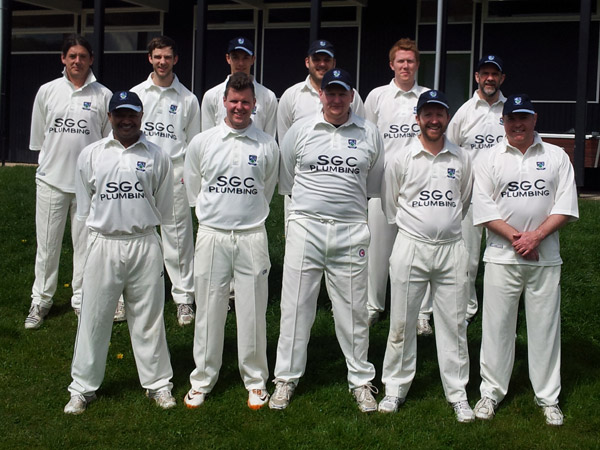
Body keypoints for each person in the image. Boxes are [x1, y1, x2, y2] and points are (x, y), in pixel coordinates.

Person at [270, 68, 384, 413]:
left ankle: (361, 380)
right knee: (295, 307)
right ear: (321, 95)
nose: (335, 99)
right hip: (306, 226)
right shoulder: (300, 130)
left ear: (352, 96)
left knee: (352, 308)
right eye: (329, 93)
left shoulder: (369, 133)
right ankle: (286, 379)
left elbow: (373, 184)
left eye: (342, 93)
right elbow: (288, 178)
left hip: (351, 229)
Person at [64, 91, 176, 414]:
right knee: (94, 317)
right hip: (104, 243)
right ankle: (82, 389)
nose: (126, 120)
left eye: (132, 115)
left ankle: (158, 385)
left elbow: (164, 208)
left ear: (141, 117)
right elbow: (85, 211)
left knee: (149, 318)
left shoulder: (158, 157)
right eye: (119, 115)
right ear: (110, 117)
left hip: (144, 242)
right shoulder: (91, 155)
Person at [471, 94, 579, 426]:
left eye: (524, 118)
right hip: (502, 257)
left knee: (545, 328)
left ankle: (548, 398)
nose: (518, 124)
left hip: (544, 258)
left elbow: (565, 206)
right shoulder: (489, 158)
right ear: (503, 122)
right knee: (496, 328)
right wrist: (519, 240)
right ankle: (490, 393)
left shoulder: (557, 156)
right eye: (511, 118)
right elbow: (484, 208)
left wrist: (536, 237)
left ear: (535, 119)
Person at [182, 72, 279, 410]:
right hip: (212, 234)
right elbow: (193, 187)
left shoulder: (267, 144)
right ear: (224, 102)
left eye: (246, 102)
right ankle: (203, 378)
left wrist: (246, 214)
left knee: (253, 310)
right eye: (234, 101)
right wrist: (214, 215)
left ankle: (255, 380)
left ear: (255, 105)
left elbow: (266, 190)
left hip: (252, 234)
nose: (240, 107)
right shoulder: (203, 142)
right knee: (208, 309)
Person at [379, 90, 474, 422]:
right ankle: (395, 387)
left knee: (453, 322)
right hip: (410, 246)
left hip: (451, 248)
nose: (434, 120)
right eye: (428, 114)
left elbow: (463, 201)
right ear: (418, 118)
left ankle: (458, 393)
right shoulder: (402, 158)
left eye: (440, 114)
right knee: (402, 320)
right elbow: (390, 203)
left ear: (446, 118)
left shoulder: (461, 157)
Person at [25, 34, 112, 329]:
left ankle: (81, 299)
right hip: (51, 182)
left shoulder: (103, 95)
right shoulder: (47, 91)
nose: (77, 61)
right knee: (47, 247)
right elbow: (39, 140)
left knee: (85, 247)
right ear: (63, 58)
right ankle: (41, 300)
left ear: (91, 60)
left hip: (88, 187)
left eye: (83, 56)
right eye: (72, 56)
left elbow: (106, 143)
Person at [363, 38, 432, 333]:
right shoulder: (377, 96)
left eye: (411, 61)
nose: (406, 66)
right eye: (400, 61)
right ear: (392, 64)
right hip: (383, 183)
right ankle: (373, 306)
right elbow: (367, 136)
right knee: (378, 248)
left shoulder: (428, 96)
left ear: (417, 64)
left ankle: (421, 313)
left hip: (419, 185)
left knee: (422, 249)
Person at [130, 36, 200, 326]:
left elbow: (194, 144)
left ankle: (184, 298)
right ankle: (126, 295)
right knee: (134, 233)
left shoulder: (187, 98)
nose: (162, 62)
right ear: (150, 58)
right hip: (140, 171)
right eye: (157, 56)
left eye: (167, 57)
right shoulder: (136, 94)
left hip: (174, 172)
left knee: (178, 236)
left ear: (175, 60)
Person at [447, 54, 506, 323]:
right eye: (485, 73)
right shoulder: (465, 112)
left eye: (495, 74)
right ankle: (467, 309)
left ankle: (502, 307)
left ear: (501, 78)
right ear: (477, 78)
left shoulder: (510, 110)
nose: (489, 78)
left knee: (503, 255)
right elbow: (450, 149)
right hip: (470, 195)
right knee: (468, 258)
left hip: (504, 197)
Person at [277, 39, 365, 143]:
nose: (322, 64)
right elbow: (284, 142)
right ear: (307, 62)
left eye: (327, 60)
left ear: (334, 63)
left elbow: (361, 132)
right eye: (316, 59)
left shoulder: (350, 95)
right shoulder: (291, 95)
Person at [201, 36, 277, 137]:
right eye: (235, 57)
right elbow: (207, 138)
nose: (240, 63)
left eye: (245, 58)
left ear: (253, 59)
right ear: (228, 58)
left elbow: (269, 139)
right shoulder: (211, 95)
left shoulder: (268, 97)